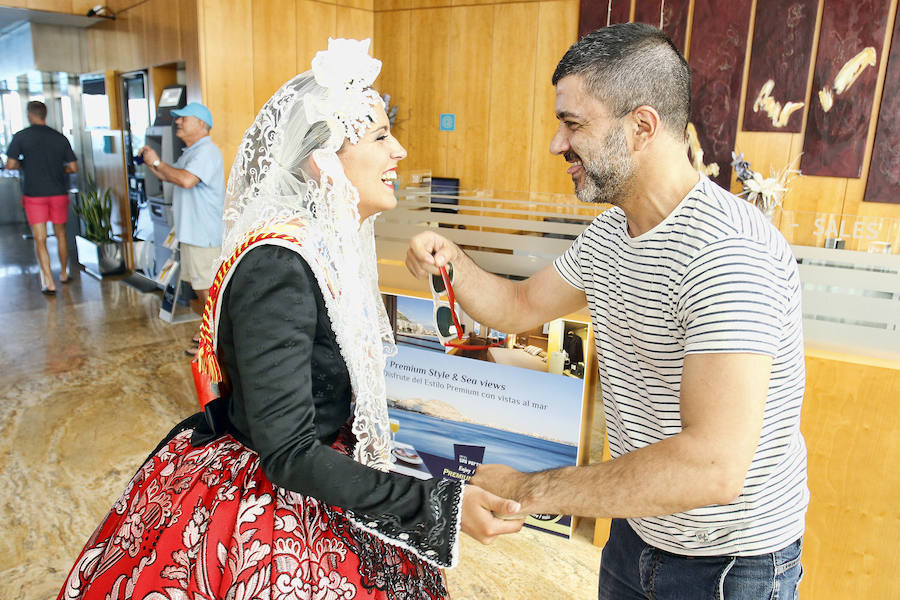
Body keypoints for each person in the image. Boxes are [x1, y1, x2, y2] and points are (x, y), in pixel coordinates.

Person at [57, 38, 523, 600]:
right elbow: (289, 451)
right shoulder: (276, 263)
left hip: (327, 469)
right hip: (266, 497)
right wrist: (437, 506)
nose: (399, 149)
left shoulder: (328, 246)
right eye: (378, 136)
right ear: (322, 160)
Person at [406, 23, 807, 600]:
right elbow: (518, 306)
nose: (556, 144)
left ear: (642, 127)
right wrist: (452, 261)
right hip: (638, 532)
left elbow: (712, 467)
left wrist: (528, 488)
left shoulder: (728, 254)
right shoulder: (610, 236)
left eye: (572, 124)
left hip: (728, 565)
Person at [139, 102, 224, 356]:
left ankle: (216, 339)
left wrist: (157, 162)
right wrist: (154, 164)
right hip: (191, 233)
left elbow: (186, 180)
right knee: (200, 287)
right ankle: (209, 332)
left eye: (183, 118)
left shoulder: (207, 152)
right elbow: (171, 175)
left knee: (207, 288)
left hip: (203, 234)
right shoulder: (192, 151)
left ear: (201, 124)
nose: (177, 122)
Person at [4, 100, 78, 295]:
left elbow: (10, 165)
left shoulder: (20, 137)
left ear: (30, 115)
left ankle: (49, 282)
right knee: (61, 234)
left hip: (34, 195)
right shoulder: (59, 137)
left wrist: (25, 165)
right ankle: (63, 273)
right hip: (58, 193)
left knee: (40, 238)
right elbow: (73, 167)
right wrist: (57, 168)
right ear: (45, 114)